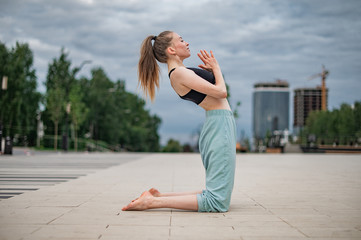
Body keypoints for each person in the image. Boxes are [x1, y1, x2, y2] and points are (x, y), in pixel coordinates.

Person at [122, 31, 236, 212]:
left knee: (215, 194)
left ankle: (157, 197)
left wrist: (210, 72)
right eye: (182, 40)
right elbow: (222, 92)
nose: (187, 43)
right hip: (219, 126)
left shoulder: (182, 72)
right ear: (171, 50)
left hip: (219, 124)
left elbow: (215, 92)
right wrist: (216, 68)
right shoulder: (178, 74)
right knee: (217, 202)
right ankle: (152, 203)